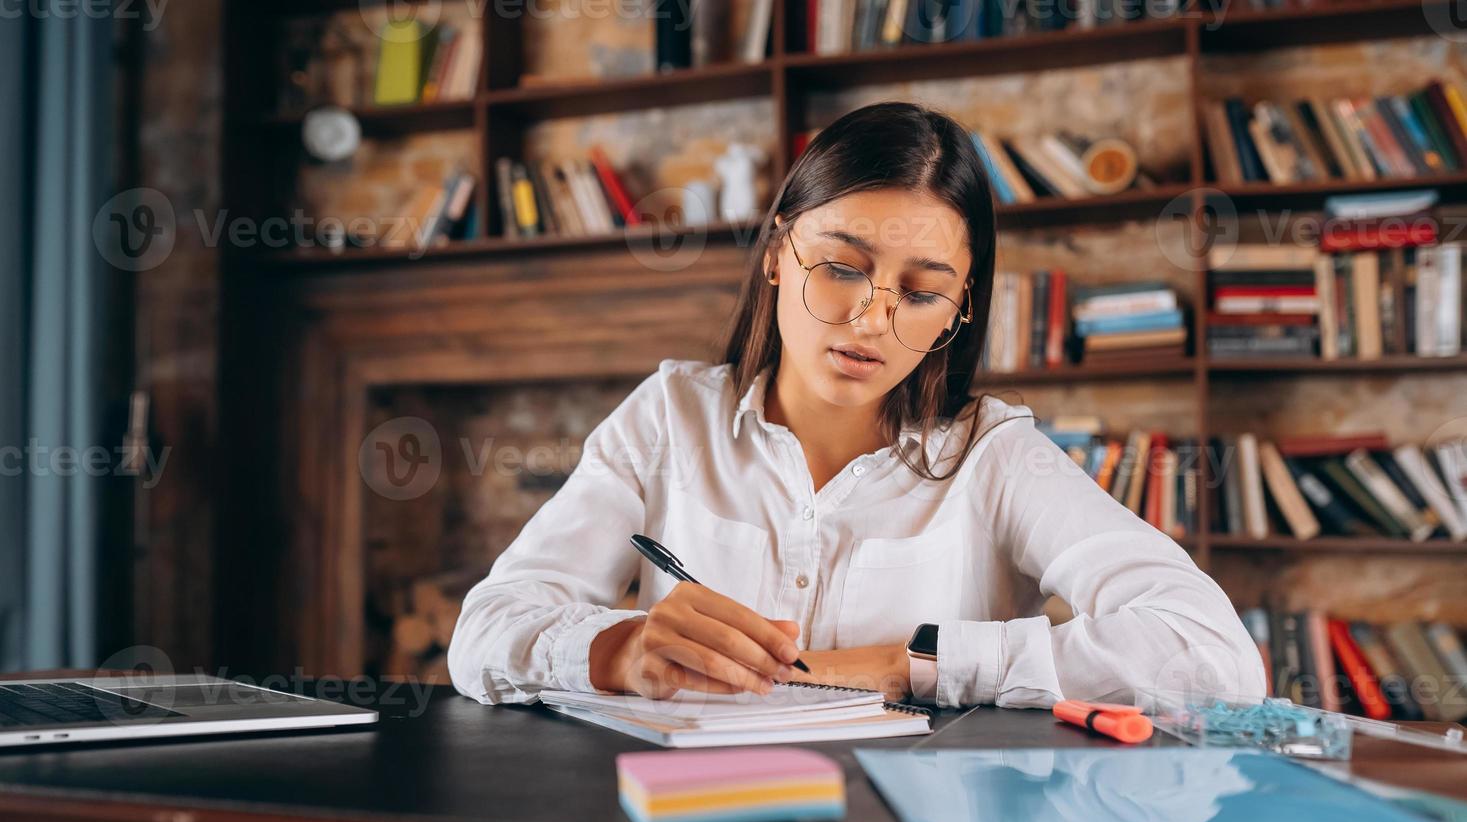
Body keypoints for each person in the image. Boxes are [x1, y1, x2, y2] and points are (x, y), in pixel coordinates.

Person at [448, 101, 1265, 708]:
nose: (871, 319)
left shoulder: (992, 458)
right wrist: (616, 649)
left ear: (959, 312)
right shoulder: (670, 417)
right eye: (839, 267)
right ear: (776, 256)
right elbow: (483, 630)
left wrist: (910, 664)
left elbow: (1210, 653)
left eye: (921, 292)